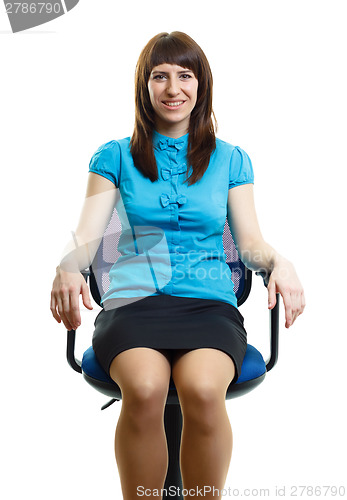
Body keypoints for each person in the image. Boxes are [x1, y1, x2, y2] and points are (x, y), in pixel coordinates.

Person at [50, 32, 305, 499]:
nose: (173, 88)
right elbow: (86, 238)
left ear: (201, 85)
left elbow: (250, 243)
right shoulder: (114, 156)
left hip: (208, 307)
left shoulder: (230, 159)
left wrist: (279, 261)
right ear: (144, 87)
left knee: (204, 392)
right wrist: (68, 265)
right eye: (160, 76)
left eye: (185, 75)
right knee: (146, 389)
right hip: (133, 306)